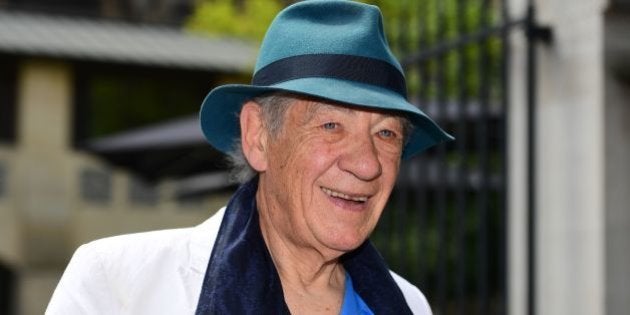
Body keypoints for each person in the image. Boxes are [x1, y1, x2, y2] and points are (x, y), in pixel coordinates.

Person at [47, 0, 452, 314]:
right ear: (258, 136)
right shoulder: (119, 286)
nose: (367, 164)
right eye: (330, 125)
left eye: (386, 133)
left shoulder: (408, 304)